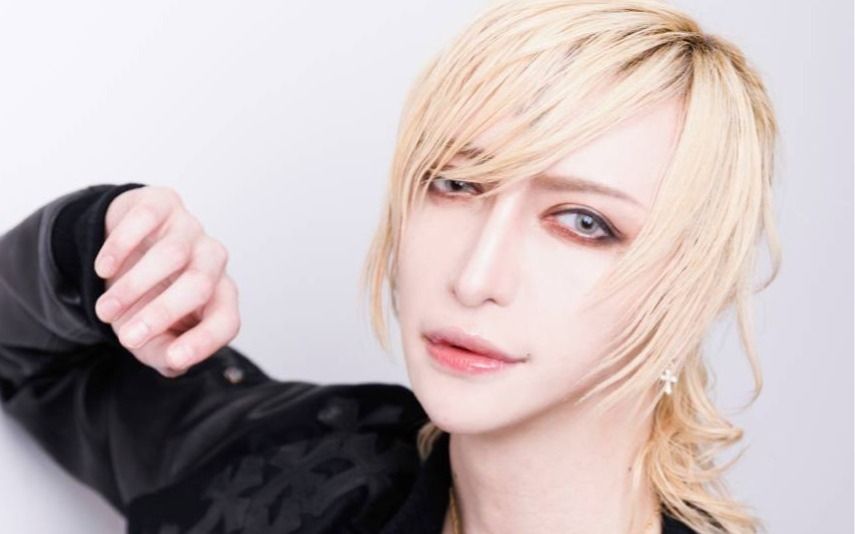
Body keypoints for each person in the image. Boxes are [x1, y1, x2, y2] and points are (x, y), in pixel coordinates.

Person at [0, 0, 780, 533]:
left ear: (690, 283)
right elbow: (29, 361)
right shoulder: (288, 467)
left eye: (584, 223)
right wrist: (111, 244)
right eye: (456, 184)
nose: (475, 277)